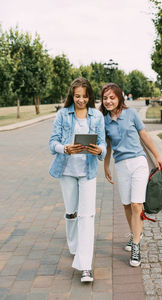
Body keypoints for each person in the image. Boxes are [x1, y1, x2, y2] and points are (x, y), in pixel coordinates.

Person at [100, 83, 162, 267]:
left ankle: (136, 245)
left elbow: (144, 135)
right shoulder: (104, 120)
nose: (108, 101)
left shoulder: (131, 114)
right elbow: (108, 145)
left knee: (137, 205)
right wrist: (106, 166)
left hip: (138, 162)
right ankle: (136, 233)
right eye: (105, 98)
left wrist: (157, 156)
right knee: (127, 205)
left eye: (112, 97)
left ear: (119, 97)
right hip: (121, 165)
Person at [49, 78, 106, 282]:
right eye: (77, 96)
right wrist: (64, 148)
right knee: (72, 212)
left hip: (88, 172)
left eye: (84, 96)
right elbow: (52, 143)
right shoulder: (63, 115)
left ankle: (85, 266)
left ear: (89, 96)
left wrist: (99, 150)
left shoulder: (97, 116)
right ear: (72, 96)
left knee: (87, 216)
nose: (80, 100)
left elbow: (102, 144)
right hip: (67, 170)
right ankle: (74, 246)